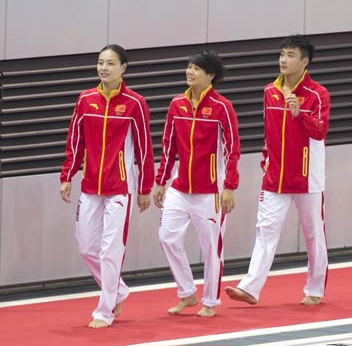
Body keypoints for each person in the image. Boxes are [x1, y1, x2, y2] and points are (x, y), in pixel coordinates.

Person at [226, 36, 330, 306]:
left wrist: (300, 114)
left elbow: (320, 131)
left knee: (314, 235)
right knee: (265, 231)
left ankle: (315, 289)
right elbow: (268, 132)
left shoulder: (318, 94)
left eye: (291, 55)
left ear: (305, 61)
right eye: (282, 54)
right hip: (275, 177)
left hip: (307, 178)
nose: (283, 59)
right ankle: (250, 288)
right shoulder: (269, 91)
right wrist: (266, 162)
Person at [58, 44, 154, 329]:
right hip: (90, 184)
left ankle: (105, 310)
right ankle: (118, 290)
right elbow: (75, 140)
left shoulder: (135, 103)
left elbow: (144, 148)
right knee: (87, 245)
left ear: (123, 68)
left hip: (121, 187)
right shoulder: (85, 99)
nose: (104, 68)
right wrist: (67, 175)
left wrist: (145, 187)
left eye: (110, 63)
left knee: (111, 249)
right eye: (101, 62)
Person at [154, 50, 241, 317]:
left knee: (211, 248)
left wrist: (229, 186)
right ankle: (187, 293)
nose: (190, 72)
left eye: (196, 69)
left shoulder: (222, 107)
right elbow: (168, 146)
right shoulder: (176, 104)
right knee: (167, 237)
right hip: (180, 188)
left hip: (211, 191)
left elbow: (232, 149)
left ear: (210, 75)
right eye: (189, 67)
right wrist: (161, 181)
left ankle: (210, 302)